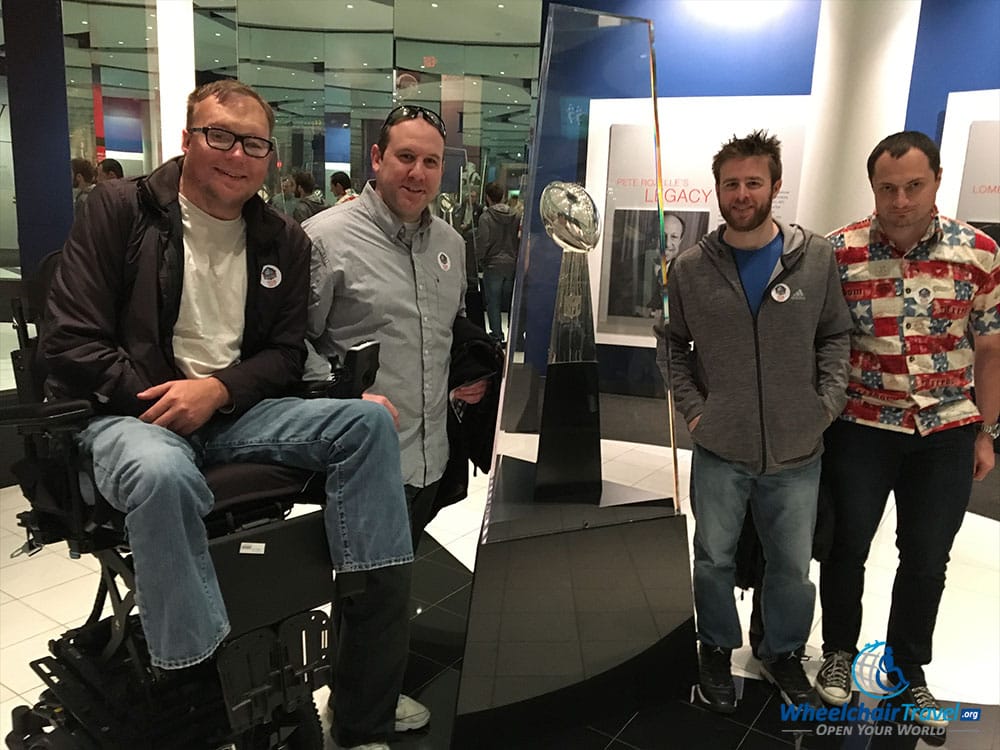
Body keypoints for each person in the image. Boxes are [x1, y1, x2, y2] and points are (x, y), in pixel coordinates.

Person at [42, 79, 425, 750]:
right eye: (219, 135)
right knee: (162, 475)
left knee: (366, 423)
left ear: (269, 157)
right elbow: (70, 343)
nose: (236, 154)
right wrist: (164, 398)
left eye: (252, 143)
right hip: (128, 415)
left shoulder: (280, 238)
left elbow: (283, 355)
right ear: (188, 140)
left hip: (234, 414)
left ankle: (366, 608)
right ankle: (196, 696)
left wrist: (214, 392)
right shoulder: (116, 211)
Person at [815, 131, 999, 725]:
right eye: (887, 188)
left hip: (945, 430)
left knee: (926, 557)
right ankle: (840, 651)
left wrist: (987, 431)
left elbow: (991, 349)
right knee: (846, 546)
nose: (900, 201)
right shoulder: (837, 252)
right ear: (872, 188)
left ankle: (905, 667)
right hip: (861, 424)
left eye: (913, 186)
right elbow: (819, 345)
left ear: (938, 181)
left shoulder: (979, 253)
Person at [666, 130, 852, 713]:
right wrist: (697, 414)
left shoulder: (815, 257)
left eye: (753, 182)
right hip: (721, 446)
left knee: (792, 567)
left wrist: (825, 405)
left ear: (775, 185)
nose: (742, 193)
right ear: (717, 190)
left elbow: (835, 336)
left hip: (798, 451)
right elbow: (673, 347)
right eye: (731, 184)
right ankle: (716, 649)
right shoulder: (691, 268)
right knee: (713, 557)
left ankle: (781, 652)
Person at [304, 104, 488, 549]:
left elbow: (449, 328)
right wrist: (340, 392)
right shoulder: (324, 239)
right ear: (376, 158)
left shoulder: (450, 243)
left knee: (396, 589)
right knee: (370, 603)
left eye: (431, 162)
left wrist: (468, 374)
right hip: (365, 461)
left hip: (434, 459)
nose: (417, 173)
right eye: (406, 157)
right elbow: (290, 341)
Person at [477, 181, 519, 343]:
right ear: (503, 196)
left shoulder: (486, 218)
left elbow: (483, 242)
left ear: (487, 197)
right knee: (511, 303)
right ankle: (514, 336)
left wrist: (480, 259)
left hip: (493, 264)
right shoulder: (516, 216)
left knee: (493, 302)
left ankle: (496, 335)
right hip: (512, 263)